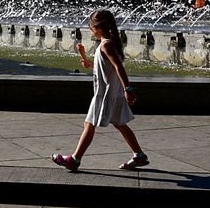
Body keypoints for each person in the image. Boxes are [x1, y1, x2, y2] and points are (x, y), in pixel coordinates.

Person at [51, 9, 148, 172]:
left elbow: (118, 67)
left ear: (97, 27)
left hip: (105, 95)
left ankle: (75, 159)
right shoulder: (106, 44)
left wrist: (128, 89)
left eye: (90, 26)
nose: (90, 30)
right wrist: (86, 60)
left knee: (89, 124)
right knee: (120, 125)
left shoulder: (107, 44)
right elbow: (106, 68)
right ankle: (139, 155)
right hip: (112, 94)